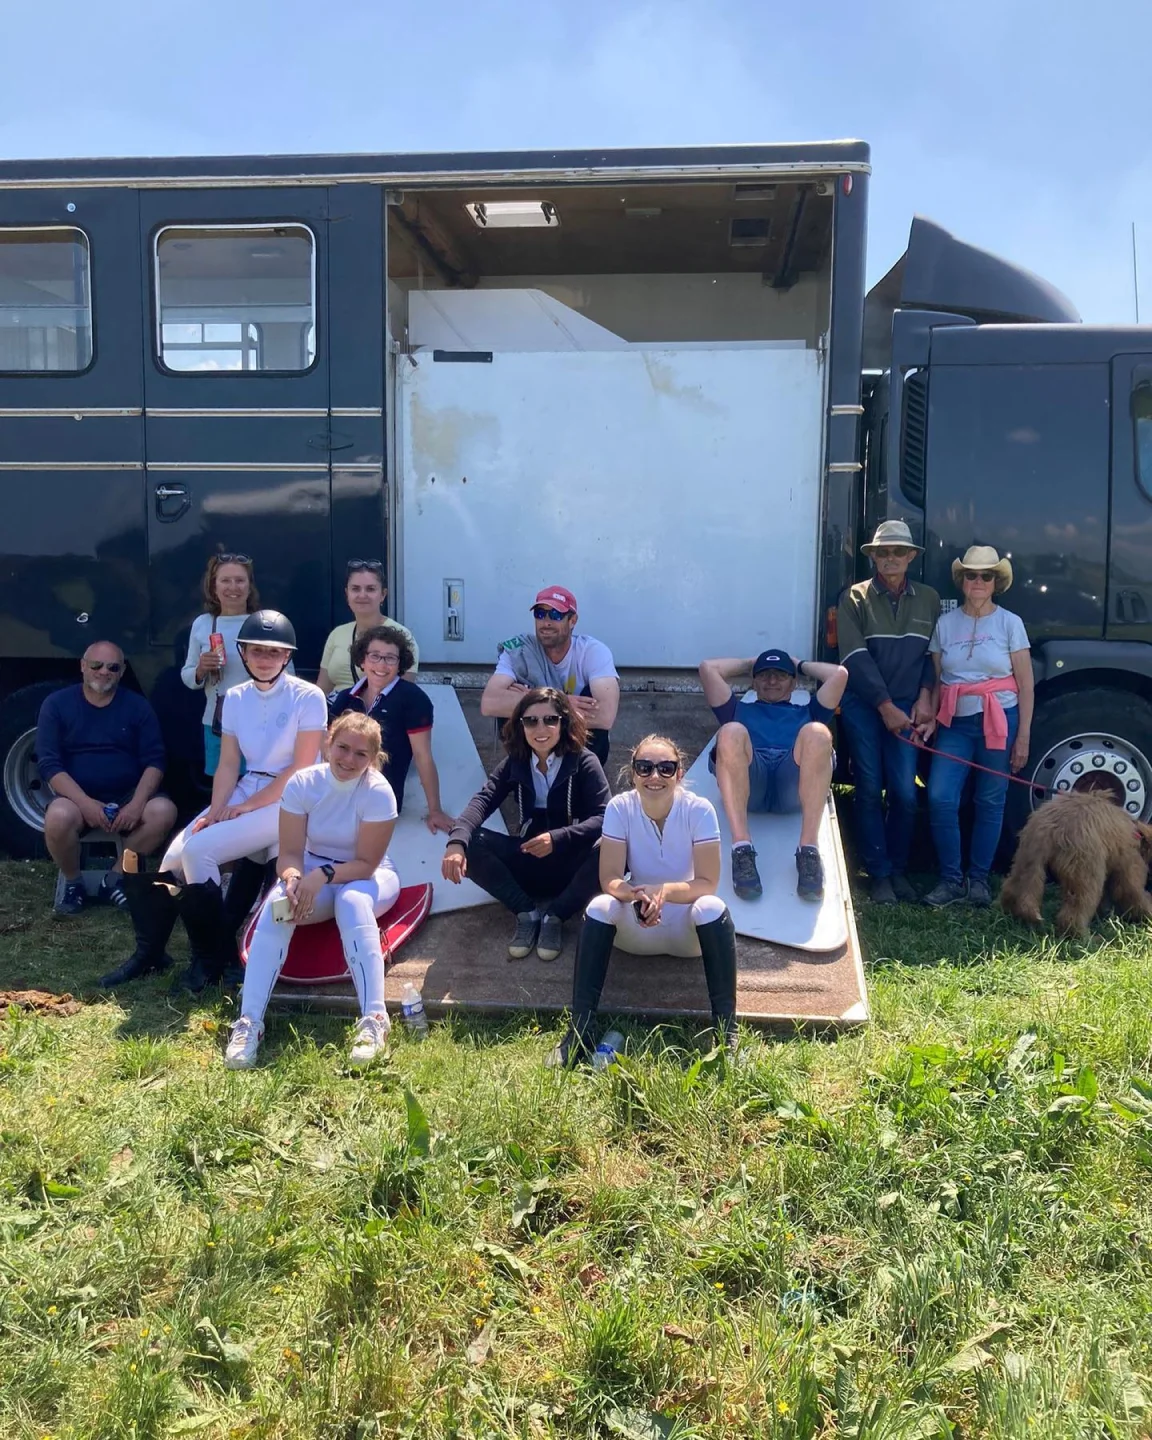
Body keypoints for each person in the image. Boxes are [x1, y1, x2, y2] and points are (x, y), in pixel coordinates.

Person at [100, 611, 327, 991]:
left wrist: (241, 810)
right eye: (256, 651)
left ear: (287, 657)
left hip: (294, 797)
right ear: (244, 653)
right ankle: (153, 952)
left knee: (200, 852)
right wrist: (219, 807)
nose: (265, 659)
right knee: (174, 854)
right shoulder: (235, 697)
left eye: (274, 652)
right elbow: (227, 764)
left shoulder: (309, 696)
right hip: (248, 785)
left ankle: (213, 959)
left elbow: (300, 769)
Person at [224, 712, 401, 1070]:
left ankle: (374, 1020)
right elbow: (289, 853)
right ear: (328, 744)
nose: (349, 760)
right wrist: (290, 879)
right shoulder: (304, 783)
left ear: (373, 758)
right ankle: (249, 1022)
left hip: (368, 877)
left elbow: (366, 864)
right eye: (343, 748)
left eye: (360, 754)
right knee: (278, 906)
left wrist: (322, 873)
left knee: (351, 902)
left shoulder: (378, 792)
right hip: (314, 871)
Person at [549, 735, 738, 1067]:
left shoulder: (699, 809)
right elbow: (609, 878)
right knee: (599, 906)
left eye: (666, 768)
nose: (655, 776)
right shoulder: (621, 807)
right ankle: (580, 1029)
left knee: (712, 906)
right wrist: (636, 897)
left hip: (688, 932)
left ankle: (726, 1034)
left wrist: (661, 892)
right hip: (637, 925)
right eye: (645, 767)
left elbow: (708, 882)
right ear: (632, 773)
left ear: (679, 774)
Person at [442, 688, 609, 962]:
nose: (540, 728)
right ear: (521, 725)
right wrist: (456, 842)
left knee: (614, 847)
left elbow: (605, 818)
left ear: (563, 723)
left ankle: (556, 916)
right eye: (531, 720)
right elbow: (483, 801)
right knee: (471, 841)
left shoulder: (584, 761)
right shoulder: (516, 762)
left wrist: (557, 838)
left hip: (572, 865)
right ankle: (526, 912)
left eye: (550, 720)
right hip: (529, 858)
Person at [922, 546, 1033, 910]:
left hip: (999, 719)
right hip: (955, 723)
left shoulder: (1010, 623)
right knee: (940, 797)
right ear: (962, 580)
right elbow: (938, 679)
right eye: (972, 575)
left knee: (990, 800)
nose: (978, 581)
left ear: (996, 581)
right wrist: (931, 719)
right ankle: (951, 880)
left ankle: (980, 880)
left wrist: (1024, 737)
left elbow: (1025, 684)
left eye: (986, 575)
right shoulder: (945, 624)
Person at [836, 520, 940, 905]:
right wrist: (884, 706)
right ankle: (878, 875)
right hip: (864, 706)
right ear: (873, 557)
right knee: (867, 786)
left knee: (905, 793)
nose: (890, 558)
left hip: (908, 708)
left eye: (899, 551)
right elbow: (854, 658)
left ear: (911, 556)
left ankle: (898, 871)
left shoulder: (929, 598)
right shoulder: (854, 598)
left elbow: (934, 655)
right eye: (883, 552)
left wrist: (927, 698)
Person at [36, 642, 176, 917]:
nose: (104, 672)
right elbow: (49, 764)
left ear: (122, 671)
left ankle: (113, 878)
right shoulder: (56, 704)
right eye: (96, 665)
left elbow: (155, 761)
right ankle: (73, 882)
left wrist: (136, 804)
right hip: (77, 798)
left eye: (112, 667)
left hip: (127, 792)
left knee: (164, 811)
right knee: (58, 817)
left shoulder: (138, 706)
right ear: (83, 666)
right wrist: (86, 804)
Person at [698, 648, 848, 903]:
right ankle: (742, 849)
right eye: (764, 675)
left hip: (792, 782)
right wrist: (749, 662)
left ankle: (808, 851)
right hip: (750, 784)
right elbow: (707, 669)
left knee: (818, 732)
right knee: (730, 731)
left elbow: (839, 674)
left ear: (793, 682)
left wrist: (799, 664)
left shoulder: (809, 711)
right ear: (754, 682)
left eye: (780, 675)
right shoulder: (735, 710)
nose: (772, 681)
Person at [328, 624, 453, 833]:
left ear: (399, 664)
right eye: (374, 656)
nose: (381, 664)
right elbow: (327, 748)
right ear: (362, 660)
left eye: (390, 658)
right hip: (339, 791)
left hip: (380, 797)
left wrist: (435, 810)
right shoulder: (345, 698)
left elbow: (423, 756)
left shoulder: (413, 699)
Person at [480, 585, 619, 767]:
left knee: (588, 700)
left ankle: (581, 783)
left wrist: (529, 700)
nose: (546, 622)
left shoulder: (592, 652)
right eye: (540, 614)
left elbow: (605, 716)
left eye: (555, 615)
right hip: (534, 743)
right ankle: (527, 778)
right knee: (509, 712)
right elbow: (490, 703)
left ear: (572, 620)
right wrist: (561, 702)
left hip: (575, 747)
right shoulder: (520, 651)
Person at [181, 552, 262, 776]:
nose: (233, 587)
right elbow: (188, 677)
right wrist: (201, 669)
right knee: (223, 793)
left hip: (260, 723)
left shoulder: (265, 622)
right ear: (213, 586)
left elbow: (288, 678)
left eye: (240, 580)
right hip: (217, 724)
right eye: (225, 580)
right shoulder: (203, 623)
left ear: (249, 585)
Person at [316, 560, 419, 695]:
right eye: (355, 589)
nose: (362, 595)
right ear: (347, 594)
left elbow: (405, 693)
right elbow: (321, 690)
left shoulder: (402, 636)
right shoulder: (337, 634)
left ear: (383, 594)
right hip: (337, 712)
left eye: (370, 589)